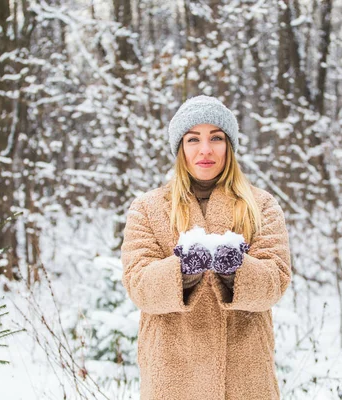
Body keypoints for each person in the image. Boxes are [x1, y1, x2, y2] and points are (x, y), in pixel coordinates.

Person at [121, 95, 292, 400]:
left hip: (244, 377)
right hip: (171, 376)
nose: (205, 149)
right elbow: (138, 285)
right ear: (180, 149)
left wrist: (236, 271)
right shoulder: (148, 208)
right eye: (193, 139)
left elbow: (276, 281)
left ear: (229, 145)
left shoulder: (261, 205)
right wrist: (182, 271)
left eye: (216, 137)